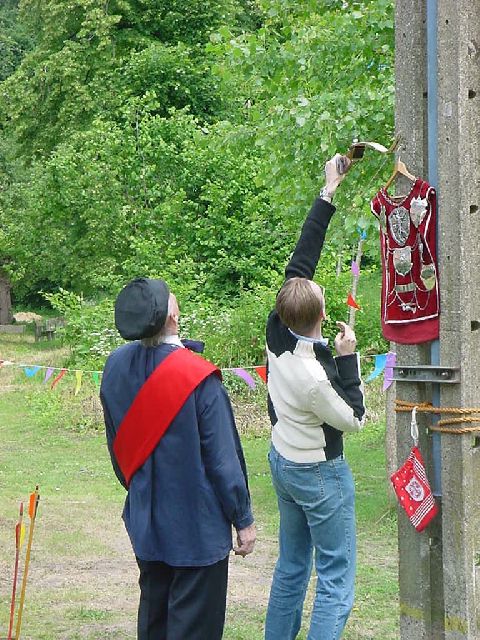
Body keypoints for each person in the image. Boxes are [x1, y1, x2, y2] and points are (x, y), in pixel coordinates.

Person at [100, 278, 256, 640]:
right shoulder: (197, 376)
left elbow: (116, 449)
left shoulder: (116, 366)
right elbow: (223, 460)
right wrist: (243, 519)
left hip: (147, 524)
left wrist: (139, 491)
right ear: (171, 314)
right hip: (196, 531)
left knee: (154, 625)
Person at [264, 154, 366, 640]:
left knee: (290, 568)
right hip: (318, 474)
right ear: (321, 316)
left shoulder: (277, 327)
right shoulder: (314, 374)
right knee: (335, 580)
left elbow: (304, 255)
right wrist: (349, 359)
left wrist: (329, 189)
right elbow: (355, 419)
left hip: (283, 460)